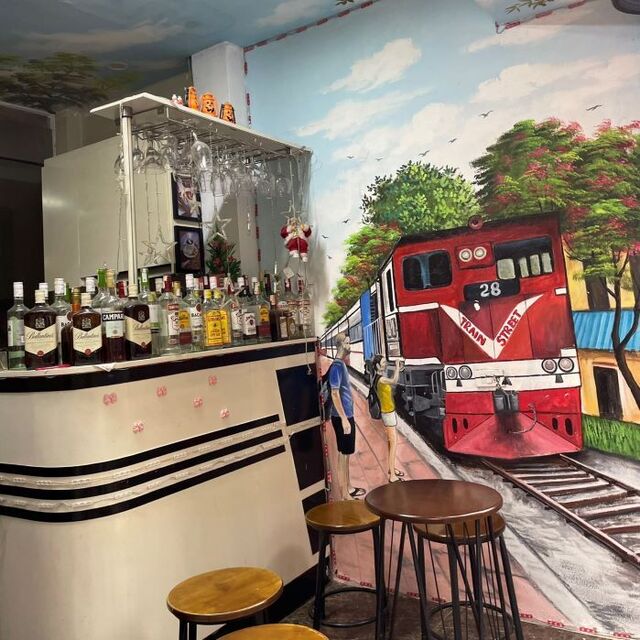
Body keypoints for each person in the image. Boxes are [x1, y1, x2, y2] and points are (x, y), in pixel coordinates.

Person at [329, 332, 365, 499]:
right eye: (348, 343)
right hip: (341, 416)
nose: (350, 346)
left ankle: (348, 487)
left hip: (345, 415)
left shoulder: (340, 364)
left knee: (346, 453)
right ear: (342, 344)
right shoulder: (336, 366)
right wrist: (344, 419)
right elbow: (334, 393)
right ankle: (345, 495)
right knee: (343, 455)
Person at [372, 354, 404, 483]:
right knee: (394, 442)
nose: (385, 364)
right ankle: (392, 476)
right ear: (377, 365)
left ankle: (392, 468)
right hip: (388, 413)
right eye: (383, 363)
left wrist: (398, 368)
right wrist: (396, 368)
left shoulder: (377, 378)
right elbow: (394, 381)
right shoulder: (381, 380)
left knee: (391, 442)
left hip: (388, 412)